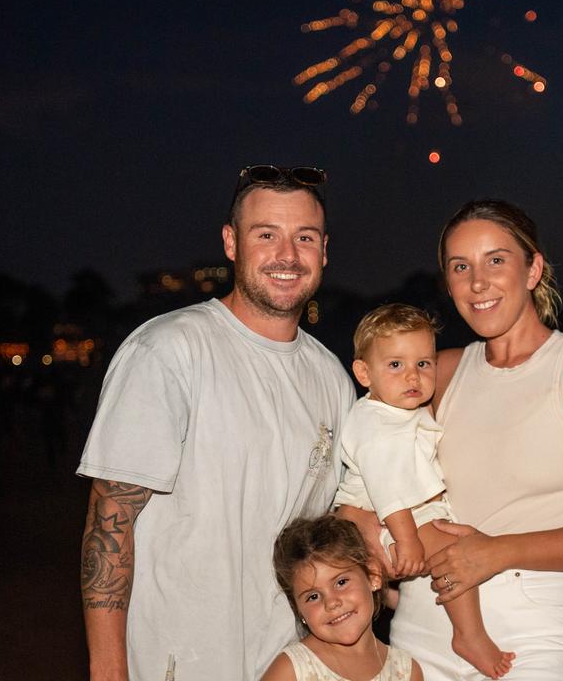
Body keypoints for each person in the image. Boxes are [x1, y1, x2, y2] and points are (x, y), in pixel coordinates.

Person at [342, 199, 563, 679]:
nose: (478, 282)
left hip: (534, 621)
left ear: (533, 269)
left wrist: (497, 550)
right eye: (460, 267)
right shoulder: (434, 374)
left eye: (496, 260)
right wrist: (371, 537)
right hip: (426, 614)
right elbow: (371, 460)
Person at [77, 165, 356, 681]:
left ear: (324, 250)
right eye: (266, 235)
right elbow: (109, 522)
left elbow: (332, 528)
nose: (287, 256)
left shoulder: (332, 378)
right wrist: (109, 669)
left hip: (287, 665)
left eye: (305, 238)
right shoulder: (169, 350)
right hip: (176, 662)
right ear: (231, 243)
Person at [333, 304, 514, 678]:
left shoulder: (401, 410)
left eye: (424, 364)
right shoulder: (375, 422)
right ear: (364, 373)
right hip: (389, 516)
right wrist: (407, 539)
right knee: (453, 555)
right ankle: (470, 635)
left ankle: (389, 593)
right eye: (395, 365)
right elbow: (388, 487)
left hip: (402, 512)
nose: (412, 376)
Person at [262, 516, 425, 681]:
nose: (331, 602)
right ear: (298, 609)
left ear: (373, 576)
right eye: (313, 596)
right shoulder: (292, 670)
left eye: (341, 582)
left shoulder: (406, 671)